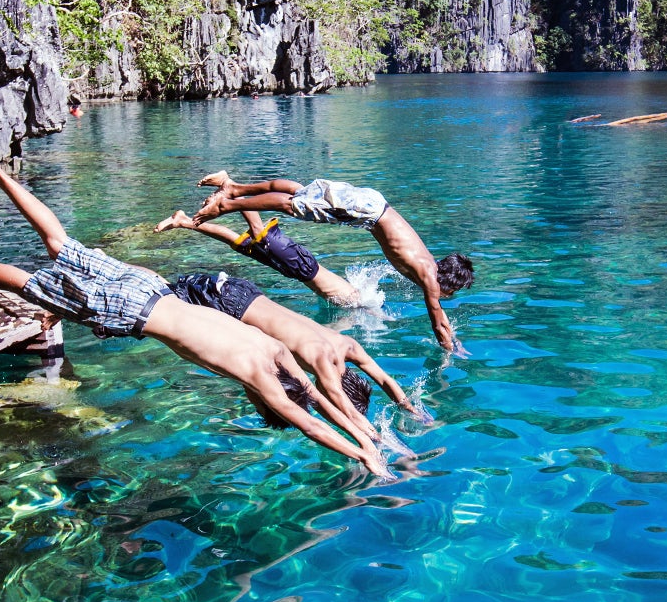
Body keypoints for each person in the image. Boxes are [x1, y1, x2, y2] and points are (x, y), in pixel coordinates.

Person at [0, 149, 388, 476]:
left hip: (155, 287)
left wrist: (364, 435)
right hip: (133, 312)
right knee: (32, 285)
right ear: (266, 399)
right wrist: (364, 457)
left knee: (60, 244)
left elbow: (320, 400)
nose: (258, 403)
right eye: (263, 406)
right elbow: (307, 418)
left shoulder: (276, 349)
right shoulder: (260, 376)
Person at [189, 172, 474, 351]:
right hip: (366, 211)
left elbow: (441, 317)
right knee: (294, 205)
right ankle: (226, 205)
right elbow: (437, 322)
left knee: (302, 192)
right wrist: (451, 349)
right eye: (453, 290)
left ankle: (234, 186)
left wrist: (452, 333)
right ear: (447, 281)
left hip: (373, 205)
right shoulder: (428, 275)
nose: (448, 295)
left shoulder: (427, 264)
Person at [167, 270, 431, 443]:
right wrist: (377, 440)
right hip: (228, 305)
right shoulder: (323, 366)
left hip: (246, 292)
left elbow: (384, 380)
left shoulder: (348, 346)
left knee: (162, 295)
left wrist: (408, 406)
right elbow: (344, 410)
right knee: (162, 297)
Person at [154, 209, 364, 305]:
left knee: (236, 243)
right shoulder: (358, 302)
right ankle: (231, 190)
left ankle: (183, 221)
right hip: (303, 266)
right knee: (257, 230)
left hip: (294, 270)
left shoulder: (354, 296)